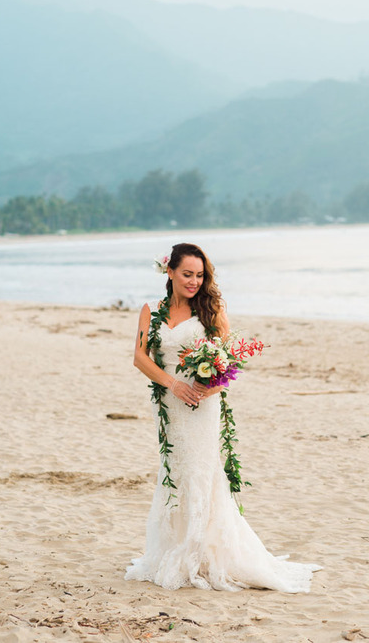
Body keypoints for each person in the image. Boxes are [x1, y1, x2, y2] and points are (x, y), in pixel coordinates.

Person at [124, 242, 321, 592]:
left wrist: (202, 390)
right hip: (168, 402)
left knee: (202, 470)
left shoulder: (211, 312)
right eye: (187, 274)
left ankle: (201, 551)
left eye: (200, 275)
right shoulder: (151, 310)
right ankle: (175, 546)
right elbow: (140, 357)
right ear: (169, 272)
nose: (194, 281)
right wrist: (173, 384)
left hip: (201, 405)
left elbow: (228, 365)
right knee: (174, 467)